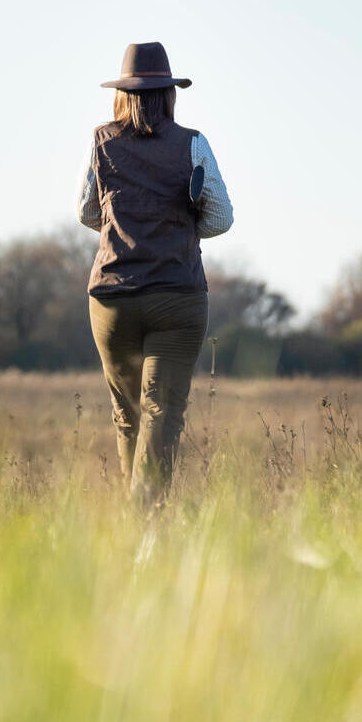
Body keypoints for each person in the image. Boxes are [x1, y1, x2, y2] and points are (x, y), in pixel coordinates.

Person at [76, 41, 235, 503]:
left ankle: (137, 532)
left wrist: (129, 223)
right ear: (169, 93)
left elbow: (87, 212)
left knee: (128, 416)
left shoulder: (101, 141)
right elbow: (221, 218)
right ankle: (146, 528)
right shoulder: (193, 144)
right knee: (160, 414)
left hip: (112, 299)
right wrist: (178, 226)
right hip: (176, 298)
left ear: (123, 94)